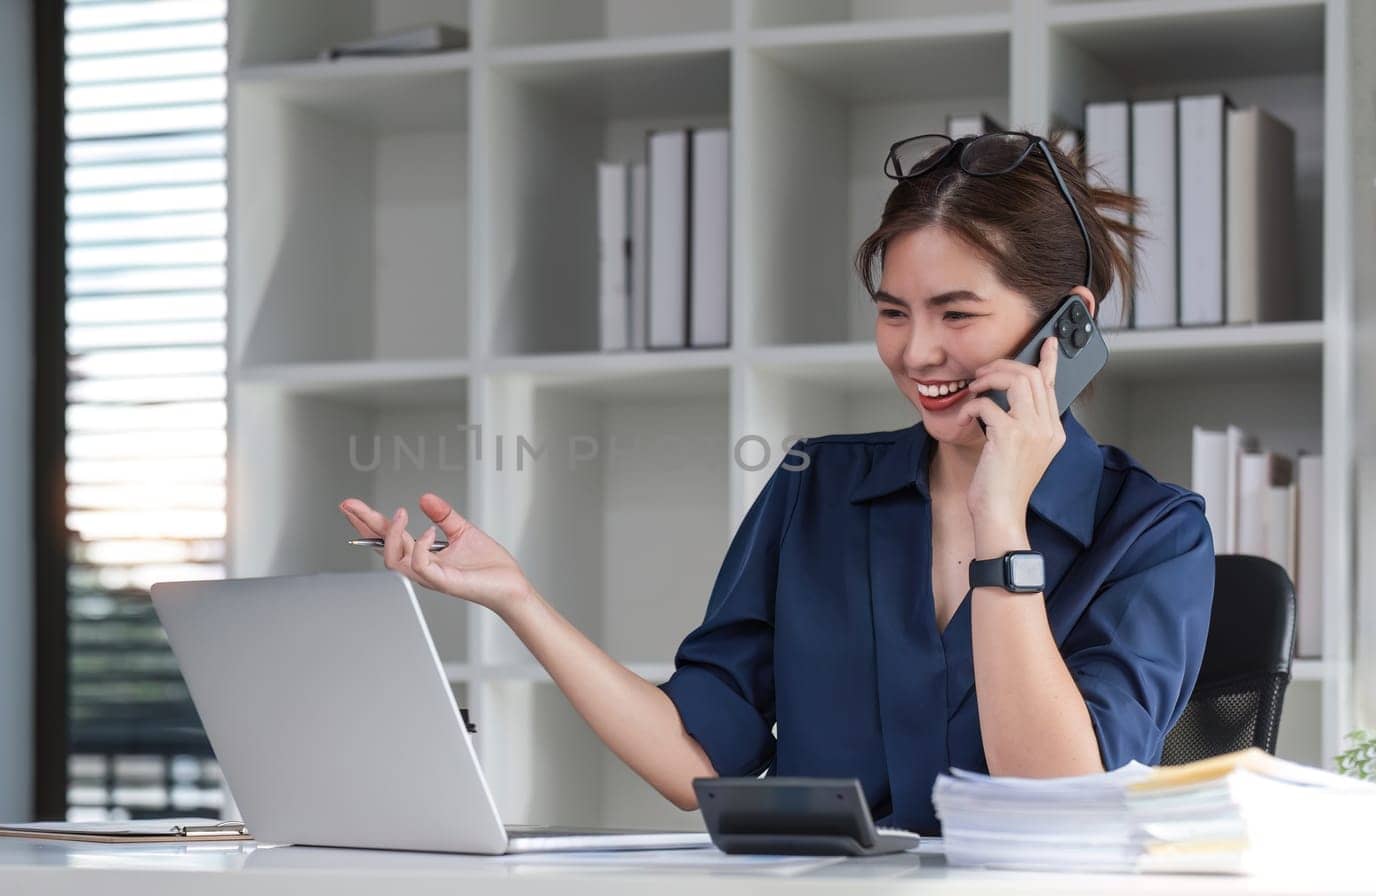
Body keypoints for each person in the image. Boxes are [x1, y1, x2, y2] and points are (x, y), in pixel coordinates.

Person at [338, 130, 1215, 836]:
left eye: (958, 314)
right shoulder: (815, 486)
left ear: (1069, 321)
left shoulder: (1153, 533)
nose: (918, 354)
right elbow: (698, 762)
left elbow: (1058, 802)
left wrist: (1000, 523)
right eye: (893, 313)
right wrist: (519, 599)